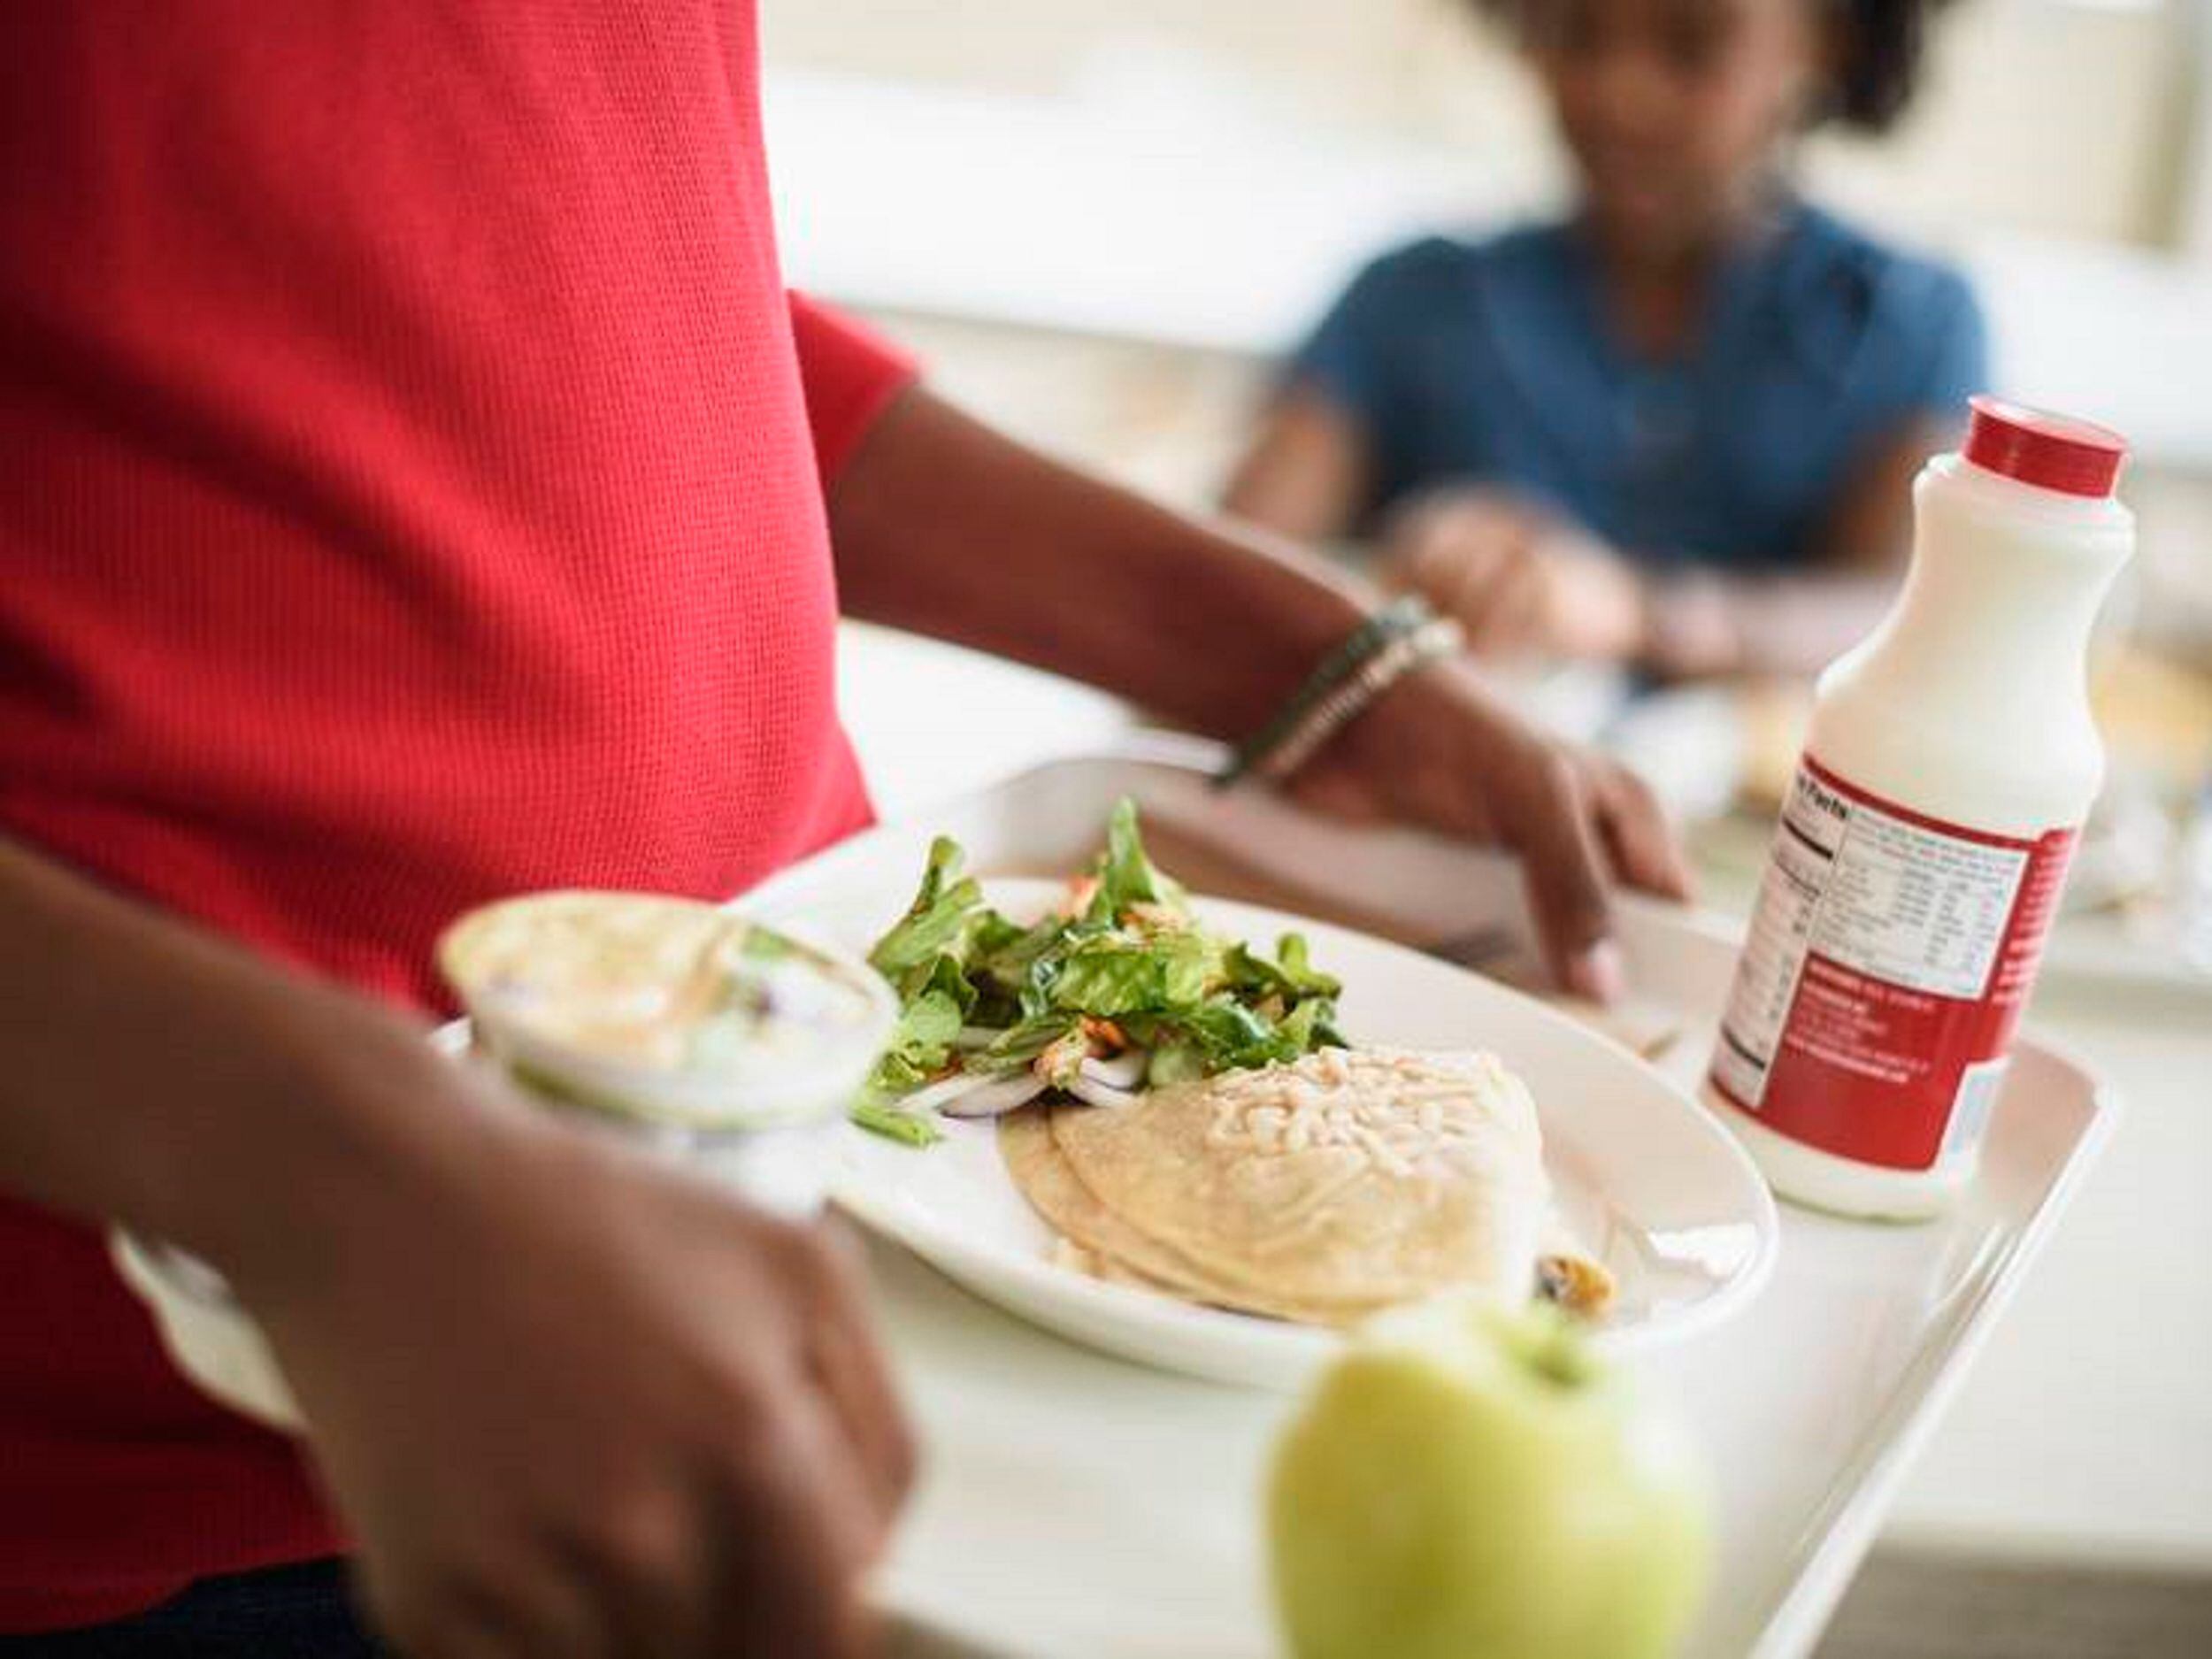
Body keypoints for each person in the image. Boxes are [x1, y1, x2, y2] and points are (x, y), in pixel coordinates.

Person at [0, 5, 1689, 1655]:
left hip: (834, 1236)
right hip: (214, 1425)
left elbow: (619, 314)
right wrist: (334, 1176)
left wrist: (1304, 657)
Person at [1225, 0, 1985, 681]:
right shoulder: (1410, 299)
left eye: (1693, 44)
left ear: (1832, 40)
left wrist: (1640, 612)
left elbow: (1907, 620)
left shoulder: (1909, 323)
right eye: (1576, 30)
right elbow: (1226, 570)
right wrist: (1390, 567)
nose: (1621, 95)